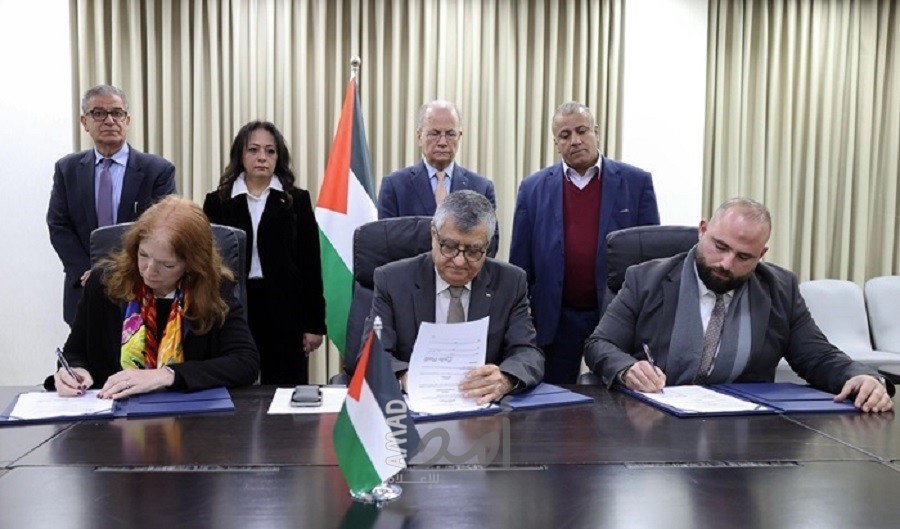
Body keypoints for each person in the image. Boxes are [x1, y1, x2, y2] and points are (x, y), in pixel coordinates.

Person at [584, 198, 894, 413]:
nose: (726, 263)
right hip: (651, 422)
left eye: (744, 257)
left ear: (762, 254)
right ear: (703, 230)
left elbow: (818, 356)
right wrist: (626, 369)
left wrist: (862, 376)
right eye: (720, 247)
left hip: (740, 428)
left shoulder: (779, 290)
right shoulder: (645, 279)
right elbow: (600, 344)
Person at [510, 101, 660, 384]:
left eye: (582, 131)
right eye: (565, 135)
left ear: (596, 132)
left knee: (615, 396)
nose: (575, 141)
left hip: (615, 314)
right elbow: (520, 262)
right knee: (554, 395)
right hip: (555, 317)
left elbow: (650, 259)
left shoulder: (636, 183)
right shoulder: (532, 188)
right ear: (556, 143)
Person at [53, 196, 259, 398]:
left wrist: (166, 375)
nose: (149, 271)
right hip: (113, 412)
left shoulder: (215, 290)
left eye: (167, 265)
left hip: (188, 417)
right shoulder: (104, 283)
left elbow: (246, 363)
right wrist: (74, 371)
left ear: (192, 265)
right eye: (143, 255)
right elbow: (74, 353)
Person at [371, 190, 544, 404]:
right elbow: (373, 354)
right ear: (433, 235)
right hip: (411, 409)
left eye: (473, 251)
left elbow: (528, 353)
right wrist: (405, 379)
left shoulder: (510, 282)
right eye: (449, 246)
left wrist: (505, 379)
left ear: (487, 246)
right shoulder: (392, 280)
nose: (459, 261)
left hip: (481, 409)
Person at [203, 120, 326, 385]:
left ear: (278, 158)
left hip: (285, 309)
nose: (262, 157)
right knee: (235, 384)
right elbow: (206, 264)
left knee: (284, 388)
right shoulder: (217, 202)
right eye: (253, 150)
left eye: (270, 151)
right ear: (240, 155)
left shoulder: (296, 200)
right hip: (234, 306)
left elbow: (311, 265)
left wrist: (314, 325)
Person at [48, 84, 177, 326]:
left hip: (140, 286)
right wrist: (87, 272)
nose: (109, 120)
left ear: (127, 120)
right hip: (84, 289)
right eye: (98, 113)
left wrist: (128, 270)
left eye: (116, 113)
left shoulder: (157, 170)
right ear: (85, 122)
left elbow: (165, 228)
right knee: (85, 350)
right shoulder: (67, 169)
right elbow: (58, 225)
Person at [377, 100, 499, 256]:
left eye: (450, 134)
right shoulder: (395, 186)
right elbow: (386, 244)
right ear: (419, 136)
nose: (442, 142)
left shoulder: (481, 188)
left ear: (460, 136)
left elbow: (490, 246)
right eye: (434, 134)